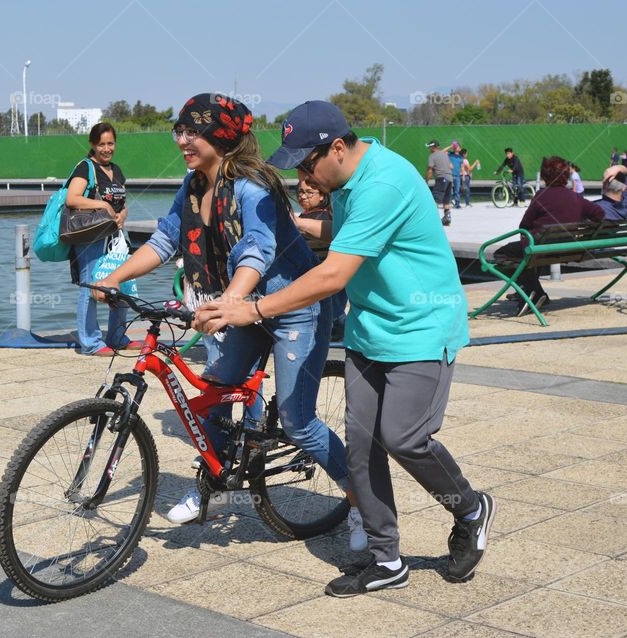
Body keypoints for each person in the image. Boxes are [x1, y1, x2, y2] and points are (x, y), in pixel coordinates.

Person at [197, 101, 495, 595]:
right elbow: (350, 239)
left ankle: (469, 507)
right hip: (371, 330)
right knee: (361, 450)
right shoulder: (350, 179)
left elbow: (335, 272)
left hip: (421, 327)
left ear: (337, 148)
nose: (303, 174)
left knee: (403, 438)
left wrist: (253, 308)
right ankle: (387, 559)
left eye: (306, 163)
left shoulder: (383, 184)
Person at [91, 93, 365, 551]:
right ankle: (213, 488)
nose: (183, 140)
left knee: (298, 423)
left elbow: (256, 249)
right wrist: (114, 278)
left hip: (293, 306)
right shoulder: (194, 184)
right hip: (244, 307)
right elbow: (165, 240)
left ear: (219, 136)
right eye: (179, 131)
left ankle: (362, 505)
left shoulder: (252, 187)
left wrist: (232, 300)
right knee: (214, 391)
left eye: (192, 131)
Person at [495, 156, 606, 315]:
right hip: (569, 248)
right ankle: (531, 292)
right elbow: (600, 213)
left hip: (541, 247)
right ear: (566, 176)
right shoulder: (575, 197)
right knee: (530, 254)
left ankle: (534, 292)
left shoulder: (542, 195)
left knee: (502, 254)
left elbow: (524, 225)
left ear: (546, 176)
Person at [65, 122, 137, 356]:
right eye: (102, 144)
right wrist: (103, 204)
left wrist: (123, 214)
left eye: (110, 143)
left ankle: (117, 336)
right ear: (93, 145)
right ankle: (91, 343)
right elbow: (72, 199)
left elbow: (123, 202)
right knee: (90, 288)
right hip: (90, 237)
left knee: (121, 284)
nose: (107, 148)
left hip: (115, 237)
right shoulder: (86, 168)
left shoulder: (116, 170)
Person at [294, 176, 348, 340]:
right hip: (334, 282)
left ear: (323, 196)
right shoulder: (327, 216)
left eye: (309, 192)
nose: (303, 196)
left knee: (330, 315)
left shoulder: (314, 219)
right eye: (300, 192)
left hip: (321, 278)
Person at [426, 140, 454, 225]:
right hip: (449, 178)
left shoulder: (432, 156)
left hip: (441, 178)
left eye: (429, 147)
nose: (428, 149)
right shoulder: (445, 155)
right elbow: (451, 167)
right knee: (446, 199)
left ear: (432, 147)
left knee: (436, 198)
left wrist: (426, 181)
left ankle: (432, 219)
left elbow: (430, 170)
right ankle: (447, 218)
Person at [448, 141, 463, 209]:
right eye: (456, 146)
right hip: (450, 175)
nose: (456, 147)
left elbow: (462, 167)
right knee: (449, 190)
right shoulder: (450, 154)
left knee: (457, 190)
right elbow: (442, 152)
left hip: (457, 176)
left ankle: (457, 203)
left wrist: (463, 176)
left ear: (459, 148)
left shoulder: (460, 157)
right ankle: (448, 202)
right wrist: (451, 146)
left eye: (457, 146)